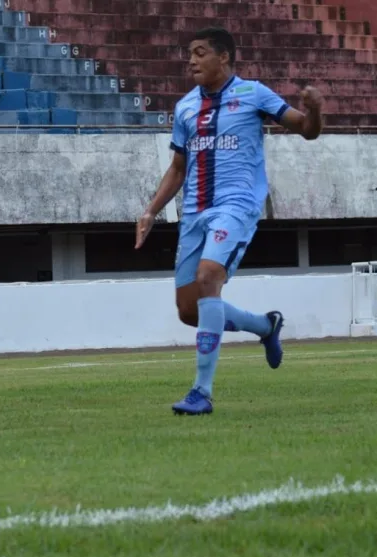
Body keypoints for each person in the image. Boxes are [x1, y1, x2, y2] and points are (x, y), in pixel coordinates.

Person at [134, 27, 323, 415]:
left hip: (236, 206)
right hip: (194, 213)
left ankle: (201, 392)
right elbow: (177, 167)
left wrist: (315, 110)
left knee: (208, 280)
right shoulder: (186, 107)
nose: (191, 61)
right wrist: (151, 210)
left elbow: (306, 129)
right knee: (189, 310)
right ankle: (265, 326)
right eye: (189, 54)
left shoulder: (254, 94)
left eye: (200, 53)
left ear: (224, 58)